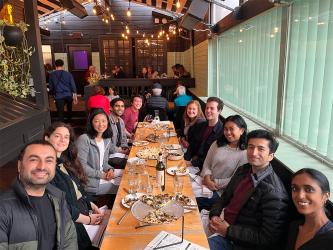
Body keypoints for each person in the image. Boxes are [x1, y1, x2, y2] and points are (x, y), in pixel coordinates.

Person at [208, 129, 289, 250]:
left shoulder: (275, 193)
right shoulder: (244, 170)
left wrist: (228, 231)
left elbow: (267, 239)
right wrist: (214, 215)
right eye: (250, 147)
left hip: (235, 242)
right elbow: (225, 196)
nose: (253, 153)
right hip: (221, 222)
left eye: (260, 149)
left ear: (271, 156)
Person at [0, 140, 77, 249]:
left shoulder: (58, 198)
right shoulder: (3, 207)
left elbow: (70, 241)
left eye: (49, 160)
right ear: (19, 165)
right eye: (34, 159)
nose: (41, 167)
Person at [44, 122, 104, 249]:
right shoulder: (46, 168)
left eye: (66, 137)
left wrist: (90, 204)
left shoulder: (64, 161)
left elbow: (77, 188)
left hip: (84, 212)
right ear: (47, 138)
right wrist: (88, 220)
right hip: (72, 223)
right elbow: (60, 208)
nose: (62, 140)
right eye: (57, 136)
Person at [197, 115, 248, 211]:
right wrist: (207, 177)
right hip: (204, 182)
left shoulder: (244, 153)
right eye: (225, 129)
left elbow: (235, 179)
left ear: (242, 130)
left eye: (231, 129)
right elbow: (207, 163)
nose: (228, 132)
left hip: (220, 192)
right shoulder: (217, 143)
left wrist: (214, 183)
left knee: (192, 201)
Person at [286, 168, 333, 250]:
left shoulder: (330, 238)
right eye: (295, 189)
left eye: (309, 189)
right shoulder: (294, 227)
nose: (300, 195)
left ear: (325, 196)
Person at [76, 108, 117, 195]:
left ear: (107, 123)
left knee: (128, 177)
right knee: (125, 188)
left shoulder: (106, 139)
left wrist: (110, 170)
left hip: (102, 176)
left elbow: (104, 163)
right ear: (91, 123)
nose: (101, 124)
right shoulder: (84, 139)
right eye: (96, 121)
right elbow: (80, 167)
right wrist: (101, 175)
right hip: (90, 183)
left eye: (103, 121)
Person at [184, 97, 224, 172]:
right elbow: (191, 146)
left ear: (219, 111)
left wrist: (191, 163)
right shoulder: (200, 125)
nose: (208, 111)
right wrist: (185, 159)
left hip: (205, 169)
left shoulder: (222, 132)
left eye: (212, 108)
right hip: (192, 164)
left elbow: (212, 156)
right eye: (207, 108)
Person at [108, 98, 130, 168]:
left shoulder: (121, 121)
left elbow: (124, 138)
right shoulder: (106, 122)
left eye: (122, 106)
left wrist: (125, 148)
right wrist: (121, 150)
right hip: (109, 154)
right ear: (111, 108)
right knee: (131, 162)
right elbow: (106, 145)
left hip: (119, 150)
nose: (120, 108)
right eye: (117, 106)